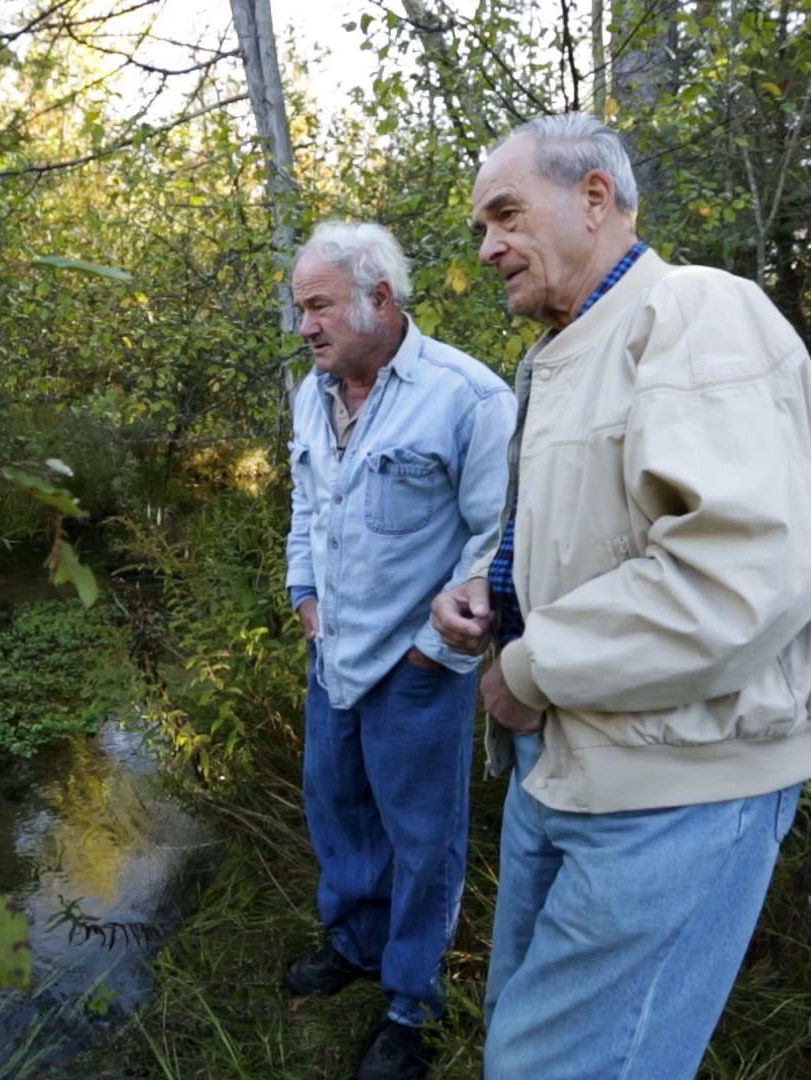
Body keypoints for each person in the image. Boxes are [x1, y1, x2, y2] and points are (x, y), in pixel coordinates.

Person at [429, 113, 811, 1078]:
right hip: (577, 765)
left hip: (679, 786)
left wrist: (529, 668)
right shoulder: (564, 352)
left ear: (595, 198)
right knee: (525, 1041)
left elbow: (731, 579)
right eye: (479, 229)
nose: (488, 247)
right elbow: (598, 539)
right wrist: (491, 590)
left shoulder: (696, 313)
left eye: (504, 214)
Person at [282, 220, 515, 1080]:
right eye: (300, 307)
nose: (304, 325)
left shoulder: (468, 397)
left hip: (419, 669)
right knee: (336, 809)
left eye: (319, 306)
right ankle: (357, 944)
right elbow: (306, 507)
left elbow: (497, 538)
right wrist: (305, 598)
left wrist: (431, 654)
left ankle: (412, 1002)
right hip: (331, 656)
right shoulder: (313, 390)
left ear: (381, 298)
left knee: (424, 841)